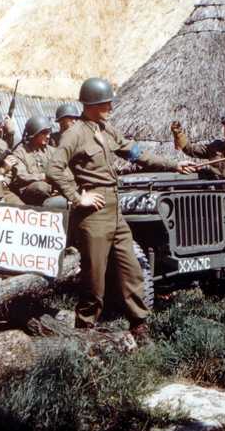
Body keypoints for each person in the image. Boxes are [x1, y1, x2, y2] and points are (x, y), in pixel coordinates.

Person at [46, 77, 194, 341]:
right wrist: (78, 196)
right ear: (91, 104)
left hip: (115, 211)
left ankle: (138, 325)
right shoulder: (74, 133)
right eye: (105, 104)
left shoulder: (106, 129)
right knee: (95, 277)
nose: (110, 108)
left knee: (131, 268)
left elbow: (135, 153)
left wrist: (174, 165)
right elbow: (53, 168)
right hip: (94, 214)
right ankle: (85, 329)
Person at [9, 115, 56, 205]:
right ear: (34, 134)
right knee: (40, 187)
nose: (48, 136)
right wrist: (43, 177)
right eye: (44, 133)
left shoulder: (52, 151)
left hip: (51, 189)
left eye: (49, 133)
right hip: (27, 192)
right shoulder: (20, 152)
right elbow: (21, 176)